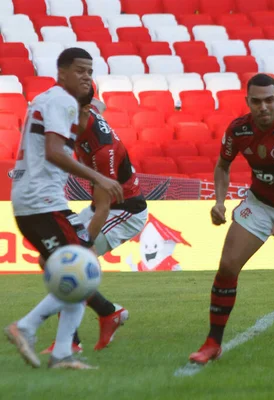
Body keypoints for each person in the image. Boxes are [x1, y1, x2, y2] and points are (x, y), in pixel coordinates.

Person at [188, 73, 274, 365]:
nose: (263, 106)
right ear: (248, 102)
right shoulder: (238, 130)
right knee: (227, 266)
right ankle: (213, 342)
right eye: (257, 101)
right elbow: (223, 166)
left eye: (269, 100)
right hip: (260, 205)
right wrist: (219, 202)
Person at [4, 48, 123, 370]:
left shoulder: (49, 99)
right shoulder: (62, 101)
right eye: (80, 70)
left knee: (80, 270)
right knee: (82, 269)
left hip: (35, 200)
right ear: (62, 73)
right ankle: (26, 327)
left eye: (90, 71)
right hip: (42, 202)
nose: (86, 76)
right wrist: (98, 176)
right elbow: (55, 153)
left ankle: (62, 354)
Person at [39, 87, 148, 354]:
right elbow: (97, 106)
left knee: (68, 261)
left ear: (84, 110)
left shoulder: (102, 149)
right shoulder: (83, 117)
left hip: (124, 211)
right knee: (49, 258)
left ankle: (71, 342)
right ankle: (107, 312)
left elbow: (103, 207)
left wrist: (85, 244)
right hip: (102, 205)